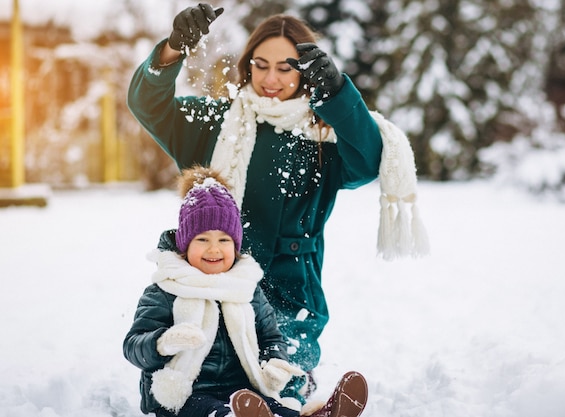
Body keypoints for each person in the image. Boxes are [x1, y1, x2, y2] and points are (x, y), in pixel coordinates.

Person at [127, 3, 428, 393]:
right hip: (213, 283)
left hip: (291, 290)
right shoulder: (216, 125)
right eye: (261, 64)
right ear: (247, 64)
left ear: (304, 71)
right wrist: (173, 48)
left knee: (284, 378)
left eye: (285, 67)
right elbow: (148, 104)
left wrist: (338, 95)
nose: (271, 78)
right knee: (211, 380)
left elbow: (369, 161)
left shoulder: (325, 134)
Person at [123, 165, 369, 417]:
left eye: (223, 240)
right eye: (203, 239)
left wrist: (274, 361)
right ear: (185, 244)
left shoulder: (247, 290)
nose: (214, 250)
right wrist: (162, 343)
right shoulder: (166, 289)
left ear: (236, 245)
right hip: (184, 396)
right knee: (213, 411)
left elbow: (270, 337)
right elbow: (132, 346)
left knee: (276, 407)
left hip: (243, 392)